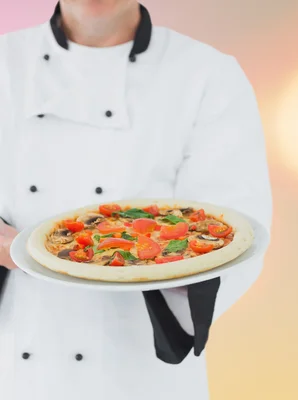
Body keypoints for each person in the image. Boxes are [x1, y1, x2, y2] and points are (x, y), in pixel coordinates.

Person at [0, 1, 273, 399]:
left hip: (138, 370)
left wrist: (139, 257)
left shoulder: (206, 74)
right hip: (13, 361)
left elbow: (233, 232)